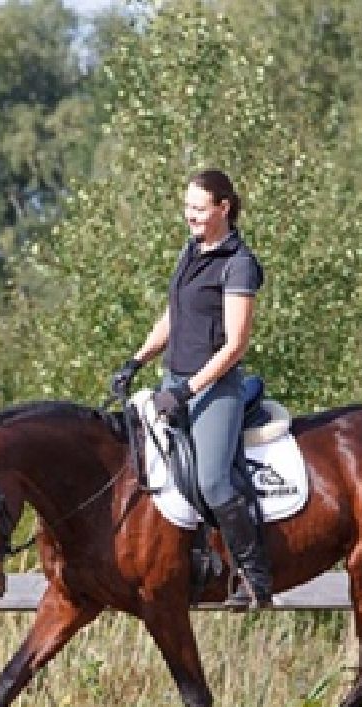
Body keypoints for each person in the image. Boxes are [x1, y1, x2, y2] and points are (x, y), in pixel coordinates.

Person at [110, 168, 271, 610]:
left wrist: (187, 392)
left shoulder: (238, 263)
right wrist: (137, 360)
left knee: (213, 481)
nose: (190, 215)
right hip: (172, 378)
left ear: (224, 208)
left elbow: (235, 344)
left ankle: (254, 576)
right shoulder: (192, 250)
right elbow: (174, 316)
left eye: (199, 208)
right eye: (187, 207)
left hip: (215, 387)